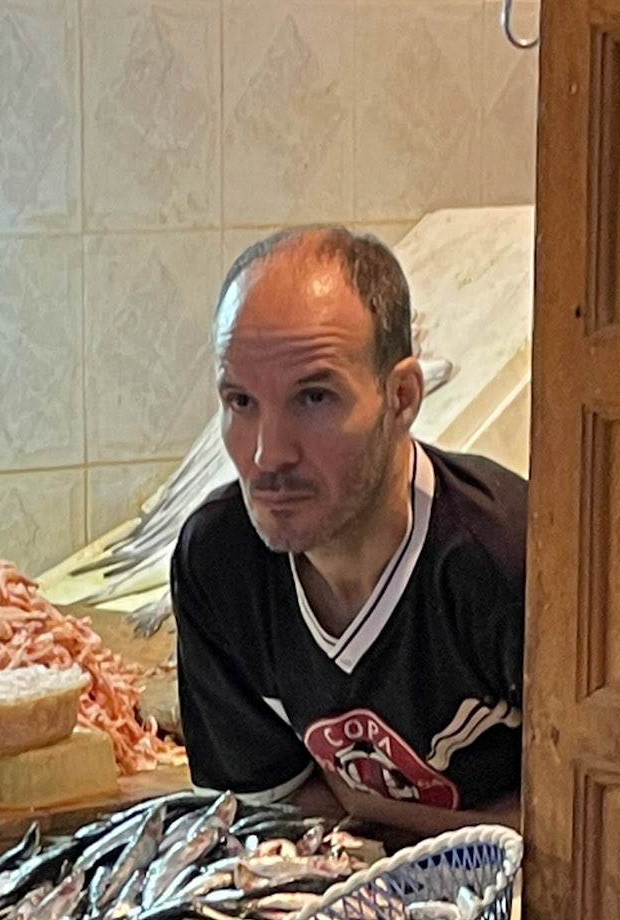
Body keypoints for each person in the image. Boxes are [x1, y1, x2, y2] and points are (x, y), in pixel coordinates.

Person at [170, 226, 526, 832]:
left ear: (401, 396)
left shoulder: (513, 562)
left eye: (314, 397)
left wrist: (364, 806)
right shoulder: (218, 564)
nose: (267, 456)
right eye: (241, 402)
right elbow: (276, 811)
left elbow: (598, 828)